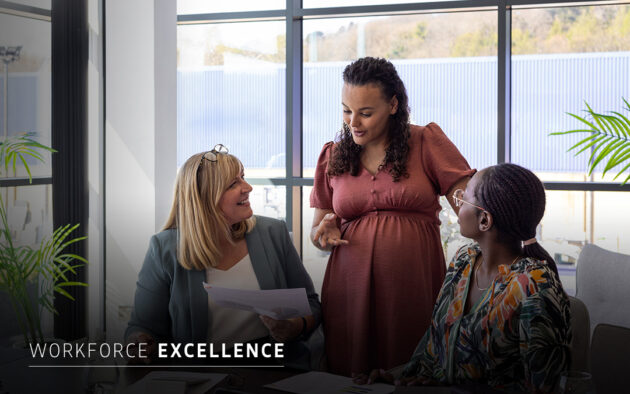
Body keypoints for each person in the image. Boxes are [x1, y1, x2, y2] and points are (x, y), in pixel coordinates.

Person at [310, 57, 475, 375]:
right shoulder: (333, 155)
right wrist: (323, 233)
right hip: (349, 290)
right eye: (346, 110)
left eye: (366, 113)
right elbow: (317, 232)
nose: (353, 122)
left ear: (394, 105)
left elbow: (474, 210)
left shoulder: (426, 142)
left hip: (413, 286)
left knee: (412, 371)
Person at [355, 163, 572, 392]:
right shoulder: (463, 262)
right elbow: (433, 348)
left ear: (484, 220)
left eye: (464, 198)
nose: (456, 207)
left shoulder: (536, 288)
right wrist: (398, 378)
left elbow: (542, 387)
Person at [126, 145, 321, 365]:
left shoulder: (273, 233)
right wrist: (140, 341)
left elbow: (311, 304)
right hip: (200, 373)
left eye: (243, 178)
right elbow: (143, 327)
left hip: (274, 369)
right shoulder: (164, 248)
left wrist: (295, 326)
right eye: (233, 184)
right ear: (204, 198)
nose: (247, 187)